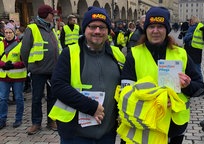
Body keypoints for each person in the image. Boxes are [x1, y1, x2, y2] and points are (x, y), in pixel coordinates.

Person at [119, 7, 204, 144]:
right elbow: (126, 94)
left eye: (160, 26)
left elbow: (199, 87)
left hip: (174, 127)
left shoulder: (180, 54)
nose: (155, 31)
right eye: (151, 26)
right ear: (145, 29)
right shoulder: (134, 55)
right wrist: (156, 103)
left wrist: (187, 86)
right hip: (144, 126)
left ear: (167, 29)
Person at [48, 6, 125, 143]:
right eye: (93, 26)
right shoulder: (69, 53)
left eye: (102, 27)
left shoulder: (117, 55)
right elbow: (58, 86)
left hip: (107, 133)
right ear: (85, 29)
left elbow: (127, 86)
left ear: (108, 31)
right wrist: (91, 107)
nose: (97, 31)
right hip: (76, 135)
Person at [20, 4, 60, 135]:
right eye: (52, 14)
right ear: (46, 15)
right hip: (38, 70)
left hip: (53, 70)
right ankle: (36, 123)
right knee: (37, 98)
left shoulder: (51, 28)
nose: (53, 15)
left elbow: (57, 47)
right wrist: (29, 66)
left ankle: (51, 120)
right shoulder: (32, 28)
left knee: (53, 97)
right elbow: (24, 50)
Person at [0, 23, 26, 129]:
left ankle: (18, 119)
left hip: (17, 76)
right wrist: (3, 65)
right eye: (6, 32)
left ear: (14, 32)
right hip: (3, 75)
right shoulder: (0, 44)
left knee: (19, 98)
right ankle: (2, 119)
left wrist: (13, 65)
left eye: (10, 32)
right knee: (3, 98)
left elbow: (24, 61)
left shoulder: (20, 44)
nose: (8, 34)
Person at [183, 16, 204, 81]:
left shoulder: (196, 28)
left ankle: (199, 84)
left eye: (190, 21)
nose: (189, 22)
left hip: (193, 51)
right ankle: (196, 84)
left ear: (193, 21)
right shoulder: (196, 27)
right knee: (194, 69)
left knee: (195, 69)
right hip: (194, 51)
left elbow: (186, 39)